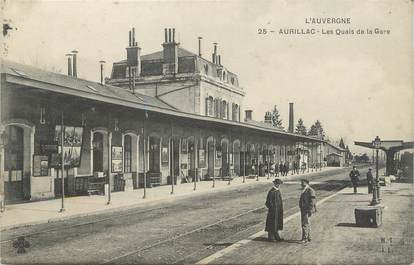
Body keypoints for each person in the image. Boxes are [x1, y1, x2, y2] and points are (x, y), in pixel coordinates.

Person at [299, 179, 316, 243]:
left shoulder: (310, 190)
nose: (301, 184)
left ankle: (305, 238)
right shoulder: (305, 190)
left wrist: (310, 209)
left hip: (306, 209)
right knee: (307, 223)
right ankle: (309, 237)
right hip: (303, 209)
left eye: (302, 183)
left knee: (305, 224)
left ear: (306, 183)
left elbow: (312, 201)